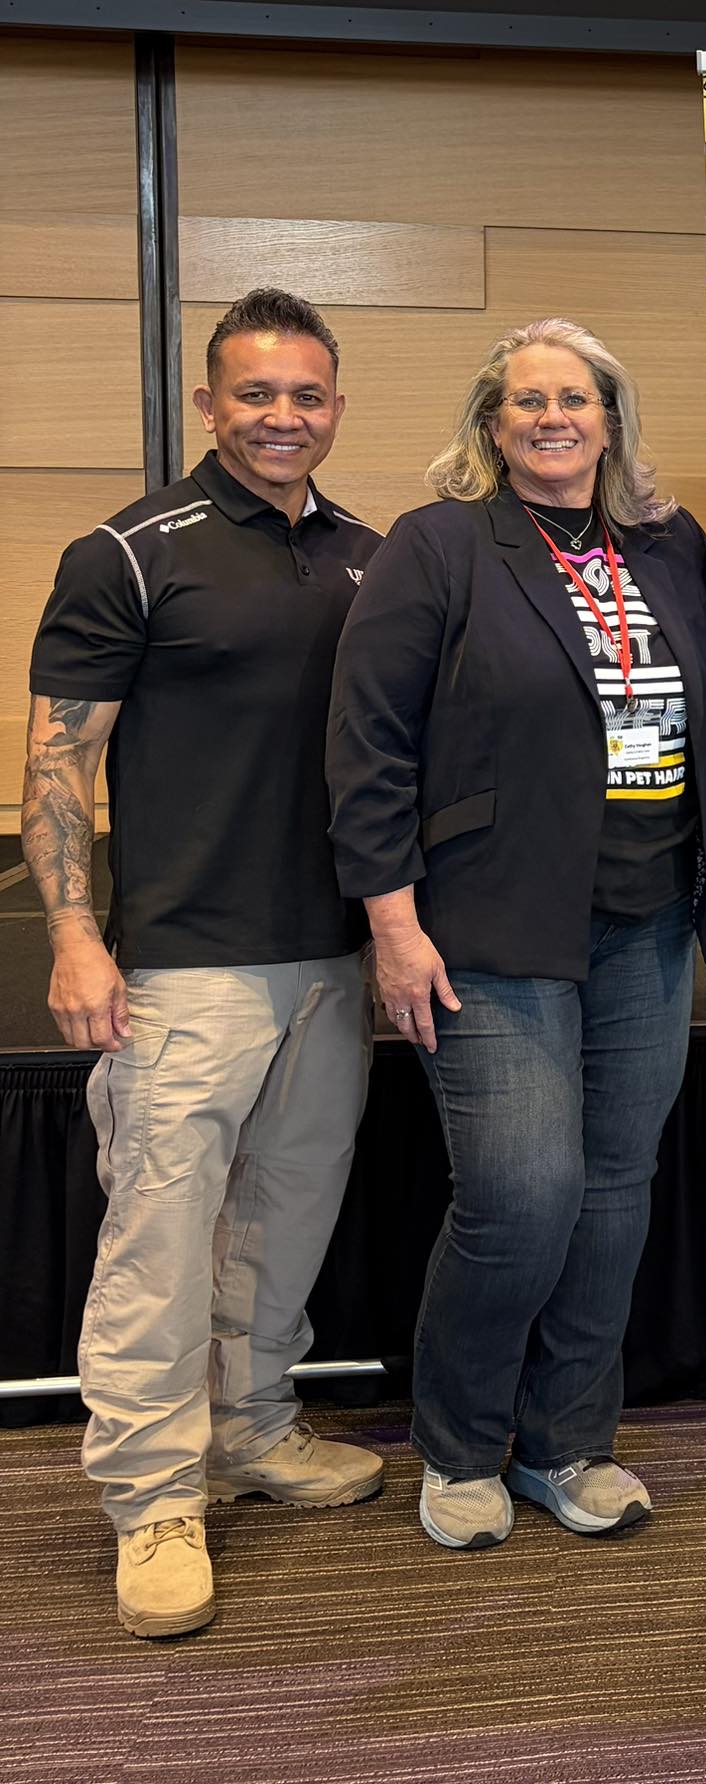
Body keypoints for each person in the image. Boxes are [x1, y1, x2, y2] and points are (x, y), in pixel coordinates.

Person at [327, 318, 706, 1551]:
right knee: (521, 1193)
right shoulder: (439, 546)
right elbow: (368, 743)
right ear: (491, 427)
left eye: (575, 398)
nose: (552, 417)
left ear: (611, 418)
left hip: (651, 917)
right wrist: (393, 924)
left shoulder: (670, 548)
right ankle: (458, 1445)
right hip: (489, 926)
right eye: (524, 402)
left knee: (613, 1194)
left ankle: (568, 1442)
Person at [24, 289, 383, 1639]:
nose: (283, 417)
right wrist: (74, 935)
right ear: (209, 403)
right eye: (257, 394)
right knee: (159, 1247)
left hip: (334, 956)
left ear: (335, 405)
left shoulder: (371, 553)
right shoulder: (128, 552)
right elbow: (58, 759)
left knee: (284, 1227)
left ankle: (256, 1431)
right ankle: (152, 1497)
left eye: (308, 395)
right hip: (184, 969)